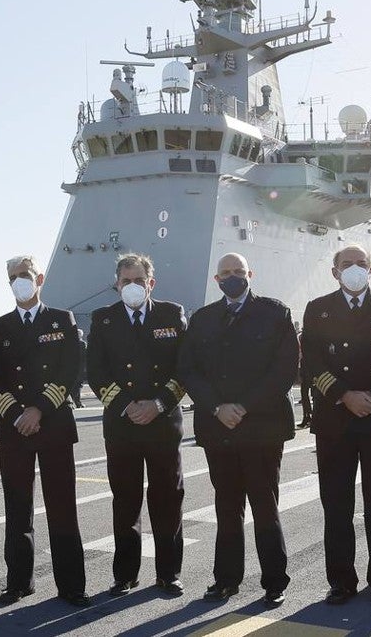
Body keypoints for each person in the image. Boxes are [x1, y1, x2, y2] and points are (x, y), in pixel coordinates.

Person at [178, 252, 298, 608]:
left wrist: (243, 406)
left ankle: (275, 581)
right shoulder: (202, 319)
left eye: (239, 272)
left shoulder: (276, 313)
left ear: (251, 274)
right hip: (219, 427)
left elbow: (284, 368)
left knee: (265, 504)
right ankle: (226, 580)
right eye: (226, 273)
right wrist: (217, 406)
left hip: (261, 427)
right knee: (227, 506)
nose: (232, 278)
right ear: (217, 280)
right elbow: (189, 369)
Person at [301, 245, 371, 608]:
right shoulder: (318, 309)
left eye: (361, 264)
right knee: (336, 505)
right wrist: (343, 395)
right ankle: (341, 581)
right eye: (347, 264)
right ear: (335, 272)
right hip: (335, 421)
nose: (355, 269)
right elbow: (312, 363)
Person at [0, 255, 89, 607]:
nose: (19, 281)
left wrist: (38, 409)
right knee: (17, 509)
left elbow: (71, 368)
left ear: (39, 278)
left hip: (53, 423)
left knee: (62, 507)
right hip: (15, 429)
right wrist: (17, 413)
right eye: (13, 277)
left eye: (25, 275)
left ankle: (72, 585)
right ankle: (18, 582)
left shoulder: (62, 320)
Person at [87, 254, 188, 597]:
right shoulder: (103, 320)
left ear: (151, 283)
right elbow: (96, 372)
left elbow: (184, 368)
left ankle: (169, 573)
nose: (132, 286)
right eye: (126, 281)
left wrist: (158, 404)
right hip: (123, 425)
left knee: (167, 500)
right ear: (117, 284)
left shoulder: (171, 314)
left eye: (138, 280)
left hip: (162, 424)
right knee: (125, 501)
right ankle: (125, 575)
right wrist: (126, 406)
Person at [295, 322, 313, 429]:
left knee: (312, 395)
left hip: (311, 369)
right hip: (306, 369)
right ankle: (307, 416)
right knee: (305, 394)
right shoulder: (302, 336)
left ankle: (309, 417)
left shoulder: (306, 337)